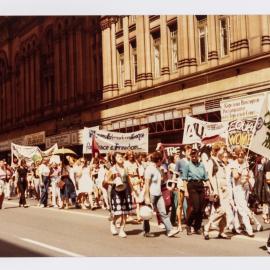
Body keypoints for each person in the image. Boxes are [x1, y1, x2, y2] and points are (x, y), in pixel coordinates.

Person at [143, 151, 179, 238]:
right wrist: (147, 197)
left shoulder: (158, 169)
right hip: (151, 194)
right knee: (147, 214)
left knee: (163, 212)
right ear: (158, 160)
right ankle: (146, 232)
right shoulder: (149, 169)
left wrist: (162, 172)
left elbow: (162, 181)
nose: (161, 162)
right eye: (161, 161)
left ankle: (169, 230)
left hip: (158, 194)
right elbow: (146, 184)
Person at [105, 152, 134, 238]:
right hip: (116, 191)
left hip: (125, 190)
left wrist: (132, 190)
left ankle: (122, 229)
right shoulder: (112, 169)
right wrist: (114, 182)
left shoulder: (125, 168)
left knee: (125, 212)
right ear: (115, 159)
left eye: (121, 156)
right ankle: (113, 223)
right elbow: (106, 180)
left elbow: (128, 180)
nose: (120, 158)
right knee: (118, 212)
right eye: (118, 157)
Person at [182, 149, 209, 235]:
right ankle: (189, 224)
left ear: (198, 155)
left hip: (200, 185)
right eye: (192, 155)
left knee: (201, 209)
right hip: (192, 185)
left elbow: (206, 177)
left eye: (195, 155)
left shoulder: (201, 165)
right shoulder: (187, 166)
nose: (193, 157)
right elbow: (184, 179)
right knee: (195, 208)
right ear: (190, 156)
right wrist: (186, 191)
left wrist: (210, 187)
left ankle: (197, 226)